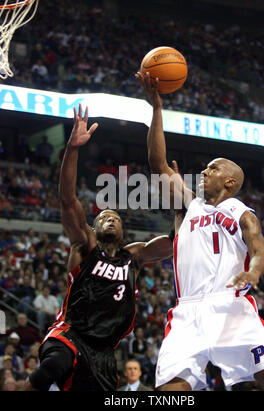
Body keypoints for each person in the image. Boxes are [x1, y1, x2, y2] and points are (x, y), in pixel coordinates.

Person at [135, 71, 264, 391]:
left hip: (231, 308)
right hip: (187, 312)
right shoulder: (190, 206)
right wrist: (155, 109)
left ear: (230, 182)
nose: (204, 171)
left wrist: (253, 273)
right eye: (205, 167)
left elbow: (260, 250)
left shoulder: (241, 212)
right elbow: (158, 163)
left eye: (213, 168)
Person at [24, 104, 173, 392]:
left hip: (104, 352)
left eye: (115, 218)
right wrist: (73, 149)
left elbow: (172, 244)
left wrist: (181, 202)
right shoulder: (85, 245)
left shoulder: (135, 255)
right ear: (94, 227)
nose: (109, 219)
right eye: (103, 217)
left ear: (123, 231)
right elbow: (68, 200)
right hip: (71, 335)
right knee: (51, 368)